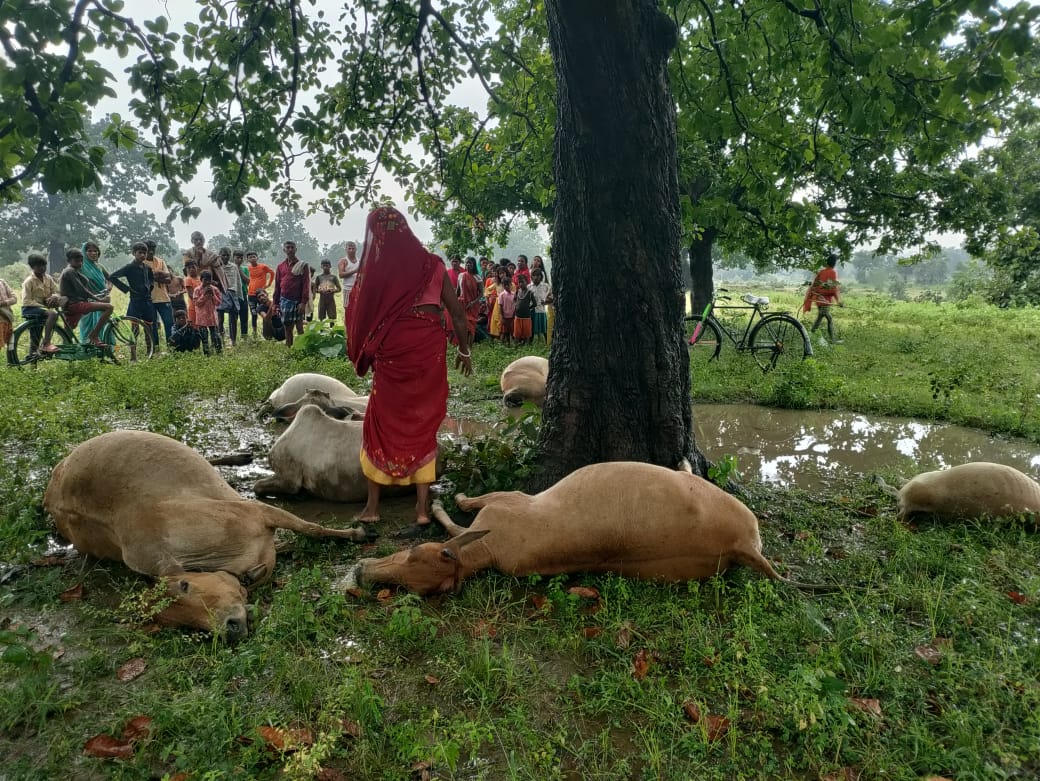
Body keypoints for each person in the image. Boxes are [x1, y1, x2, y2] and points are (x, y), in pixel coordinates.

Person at [345, 206, 472, 538]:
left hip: (392, 355)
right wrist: (464, 350)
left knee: (379, 422)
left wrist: (363, 347)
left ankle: (372, 508)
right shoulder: (433, 265)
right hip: (428, 353)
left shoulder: (378, 269)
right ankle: (421, 511)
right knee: (422, 421)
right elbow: (457, 314)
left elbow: (361, 311)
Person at [43, 247, 114, 352]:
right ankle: (94, 335)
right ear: (69, 261)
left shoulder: (73, 271)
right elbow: (82, 290)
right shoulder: (70, 271)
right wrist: (99, 299)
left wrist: (96, 297)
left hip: (70, 304)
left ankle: (66, 354)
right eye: (76, 261)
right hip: (75, 304)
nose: (80, 263)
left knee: (68, 333)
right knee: (109, 307)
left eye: (81, 260)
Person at [272, 240, 311, 348]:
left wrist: (303, 302)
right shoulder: (280, 266)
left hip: (298, 301)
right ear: (284, 250)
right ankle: (289, 347)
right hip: (284, 301)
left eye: (292, 247)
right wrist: (275, 303)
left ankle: (302, 348)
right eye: (288, 247)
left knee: (299, 326)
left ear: (296, 249)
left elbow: (306, 284)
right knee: (287, 327)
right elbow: (277, 286)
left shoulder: (302, 265)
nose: (290, 249)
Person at [20, 254, 61, 356]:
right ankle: (46, 343)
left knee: (35, 338)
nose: (42, 268)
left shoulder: (48, 278)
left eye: (44, 265)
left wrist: (55, 296)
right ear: (32, 267)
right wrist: (43, 305)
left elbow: (56, 291)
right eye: (39, 266)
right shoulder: (29, 281)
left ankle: (33, 359)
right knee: (53, 314)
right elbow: (26, 301)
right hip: (30, 308)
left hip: (42, 309)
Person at [109, 242, 156, 327]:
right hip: (135, 300)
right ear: (134, 253)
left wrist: (150, 286)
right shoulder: (129, 267)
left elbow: (151, 279)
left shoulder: (147, 268)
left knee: (149, 325)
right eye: (140, 253)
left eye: (144, 253)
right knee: (135, 326)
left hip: (147, 300)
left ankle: (149, 336)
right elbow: (112, 277)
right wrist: (127, 289)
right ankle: (134, 336)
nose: (142, 255)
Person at [803, 251, 844, 344]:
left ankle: (809, 337)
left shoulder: (822, 272)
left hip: (819, 300)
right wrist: (839, 301)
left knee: (821, 318)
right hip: (824, 301)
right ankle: (831, 340)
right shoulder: (832, 272)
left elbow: (815, 285)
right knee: (826, 319)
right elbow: (834, 289)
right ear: (834, 263)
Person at [77, 241, 112, 344]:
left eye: (95, 251)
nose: (93, 253)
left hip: (103, 299)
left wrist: (109, 287)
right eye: (89, 251)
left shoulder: (99, 266)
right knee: (87, 327)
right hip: (88, 301)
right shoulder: (80, 267)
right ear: (84, 253)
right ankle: (87, 348)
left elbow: (110, 278)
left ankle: (106, 349)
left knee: (104, 325)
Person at [144, 239, 174, 347]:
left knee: (169, 323)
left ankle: (171, 347)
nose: (151, 252)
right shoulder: (141, 263)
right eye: (149, 249)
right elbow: (142, 280)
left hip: (163, 298)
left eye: (153, 249)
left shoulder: (160, 261)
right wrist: (159, 275)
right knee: (152, 326)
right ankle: (155, 348)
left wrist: (153, 276)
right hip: (148, 299)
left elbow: (169, 279)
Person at [215, 247, 243, 346]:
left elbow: (238, 281)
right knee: (220, 318)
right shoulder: (216, 267)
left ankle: (233, 340)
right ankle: (221, 339)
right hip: (221, 293)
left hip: (232, 293)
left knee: (233, 318)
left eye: (227, 255)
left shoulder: (234, 267)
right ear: (219, 255)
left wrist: (240, 295)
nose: (226, 257)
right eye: (223, 255)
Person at [245, 250, 275, 337]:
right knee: (254, 314)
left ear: (257, 258)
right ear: (247, 259)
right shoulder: (248, 268)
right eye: (250, 257)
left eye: (254, 256)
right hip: (251, 294)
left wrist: (269, 284)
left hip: (261, 295)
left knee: (265, 312)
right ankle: (254, 333)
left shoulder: (263, 267)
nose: (252, 258)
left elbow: (272, 273)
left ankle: (267, 332)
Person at [192, 270, 222, 355]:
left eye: (209, 280)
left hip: (212, 317)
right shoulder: (197, 290)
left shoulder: (215, 289)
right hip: (202, 318)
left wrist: (213, 295)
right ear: (201, 279)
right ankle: (207, 354)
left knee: (215, 336)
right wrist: (204, 295)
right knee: (204, 337)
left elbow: (218, 303)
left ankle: (219, 353)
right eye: (205, 280)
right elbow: (197, 303)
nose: (208, 282)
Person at [456, 256, 482, 351]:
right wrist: (454, 302)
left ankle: (469, 348)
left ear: (473, 265)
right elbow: (458, 291)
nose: (468, 264)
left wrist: (473, 303)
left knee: (471, 328)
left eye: (470, 263)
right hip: (462, 304)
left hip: (472, 306)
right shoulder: (461, 275)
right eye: (467, 263)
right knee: (463, 327)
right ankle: (463, 347)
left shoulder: (477, 277)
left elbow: (481, 293)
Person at [337, 241, 360, 323]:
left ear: (356, 249)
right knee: (348, 310)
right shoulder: (343, 261)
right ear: (346, 249)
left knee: (358, 310)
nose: (351, 250)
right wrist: (355, 271)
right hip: (348, 289)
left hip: (358, 289)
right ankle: (347, 328)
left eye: (353, 248)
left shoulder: (360, 261)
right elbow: (341, 274)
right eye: (349, 248)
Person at [529, 266, 552, 344]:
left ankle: (547, 342)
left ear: (541, 277)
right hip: (532, 310)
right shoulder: (529, 287)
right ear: (531, 276)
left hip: (541, 310)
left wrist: (546, 301)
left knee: (544, 328)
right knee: (532, 328)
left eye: (538, 275)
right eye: (534, 275)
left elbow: (550, 296)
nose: (536, 277)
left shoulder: (545, 286)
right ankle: (530, 342)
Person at [512, 274, 535, 346]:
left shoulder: (530, 293)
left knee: (527, 334)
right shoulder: (517, 291)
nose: (521, 284)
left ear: (526, 282)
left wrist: (528, 308)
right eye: (519, 282)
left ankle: (527, 347)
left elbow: (535, 303)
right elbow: (514, 300)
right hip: (517, 316)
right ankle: (516, 347)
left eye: (522, 282)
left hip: (526, 317)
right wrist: (516, 307)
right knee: (516, 333)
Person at [1, 275, 16, 365]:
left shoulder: (2, 282)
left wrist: (4, 303)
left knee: (11, 344)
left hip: (7, 317)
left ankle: (12, 363)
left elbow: (14, 298)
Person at [182, 260, 201, 325]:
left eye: (193, 267)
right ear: (186, 270)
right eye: (189, 268)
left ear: (197, 267)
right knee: (195, 326)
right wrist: (201, 302)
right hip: (193, 307)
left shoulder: (200, 278)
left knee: (203, 326)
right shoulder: (188, 279)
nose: (191, 269)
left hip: (202, 306)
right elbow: (191, 295)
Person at [498, 278, 515, 345]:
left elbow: (515, 305)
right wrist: (502, 317)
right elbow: (500, 306)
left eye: (508, 285)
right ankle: (505, 343)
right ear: (503, 286)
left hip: (512, 315)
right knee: (505, 331)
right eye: (505, 285)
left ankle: (513, 343)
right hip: (505, 316)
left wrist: (514, 314)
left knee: (512, 330)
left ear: (511, 285)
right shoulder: (502, 295)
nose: (507, 286)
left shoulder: (513, 294)